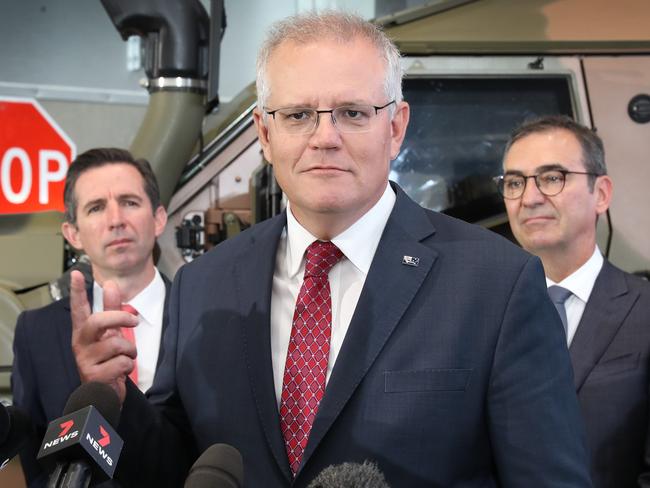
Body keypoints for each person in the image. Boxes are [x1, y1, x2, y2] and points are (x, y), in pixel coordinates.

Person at [71, 12, 591, 487]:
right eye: (298, 115)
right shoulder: (204, 286)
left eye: (352, 112)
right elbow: (175, 465)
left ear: (396, 126)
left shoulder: (496, 285)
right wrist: (121, 402)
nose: (325, 137)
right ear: (265, 133)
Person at [499, 115, 650, 488]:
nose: (530, 198)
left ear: (601, 194)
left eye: (552, 178)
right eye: (515, 182)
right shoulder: (481, 317)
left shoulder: (644, 312)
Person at [11, 148, 170, 487]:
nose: (116, 220)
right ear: (73, 234)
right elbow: (34, 461)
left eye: (129, 202)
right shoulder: (35, 332)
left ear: (158, 219)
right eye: (96, 207)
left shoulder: (209, 315)